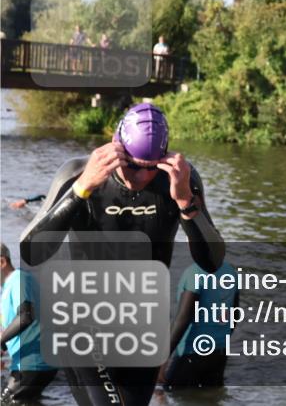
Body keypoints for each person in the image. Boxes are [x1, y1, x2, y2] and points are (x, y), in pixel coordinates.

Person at [20, 103, 225, 406]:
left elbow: (212, 262)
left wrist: (185, 202)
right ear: (117, 147)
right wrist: (81, 190)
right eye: (132, 165)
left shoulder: (180, 178)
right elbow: (31, 252)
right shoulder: (77, 173)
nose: (140, 176)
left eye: (150, 167)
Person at [155, 260, 239, 392]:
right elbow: (235, 315)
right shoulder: (230, 271)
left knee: (165, 392)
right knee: (210, 397)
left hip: (191, 353)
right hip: (219, 354)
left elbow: (183, 319)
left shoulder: (194, 273)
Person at [1, 244, 58, 403]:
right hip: (25, 362)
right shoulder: (7, 288)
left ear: (2, 262)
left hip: (34, 361)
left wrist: (1, 340)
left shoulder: (19, 279)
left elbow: (25, 316)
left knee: (7, 402)